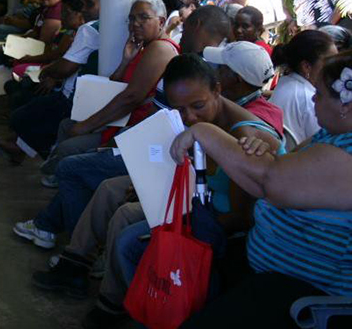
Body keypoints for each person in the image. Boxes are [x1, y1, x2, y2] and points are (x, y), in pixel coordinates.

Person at [35, 54, 283, 328]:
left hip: (214, 218)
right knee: (110, 189)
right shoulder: (206, 120)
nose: (189, 117)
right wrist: (151, 185)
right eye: (180, 110)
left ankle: (116, 301)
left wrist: (174, 221)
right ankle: (76, 264)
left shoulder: (242, 137)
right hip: (196, 198)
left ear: (218, 90)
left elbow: (240, 216)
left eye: (197, 105)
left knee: (126, 218)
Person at [171, 51, 352, 328]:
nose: (313, 99)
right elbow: (283, 167)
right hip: (266, 266)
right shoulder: (332, 134)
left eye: (320, 94)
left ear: (346, 106)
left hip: (303, 293)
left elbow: (268, 181)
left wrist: (204, 132)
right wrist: (266, 152)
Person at [12, 0, 179, 248]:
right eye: (131, 18)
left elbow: (130, 98)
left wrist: (87, 125)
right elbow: (118, 85)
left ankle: (76, 243)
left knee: (71, 158)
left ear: (162, 21)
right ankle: (50, 223)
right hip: (125, 127)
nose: (135, 24)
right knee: (67, 133)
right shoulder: (145, 48)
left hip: (134, 134)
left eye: (143, 18)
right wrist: (126, 59)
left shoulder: (161, 49)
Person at [0, 0, 101, 162]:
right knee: (28, 107)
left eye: (90, 4)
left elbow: (65, 66)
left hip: (71, 94)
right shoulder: (102, 29)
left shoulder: (88, 29)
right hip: (77, 91)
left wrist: (47, 72)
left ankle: (32, 150)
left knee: (23, 114)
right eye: (82, 4)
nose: (84, 9)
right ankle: (20, 146)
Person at [270, 30, 337, 144]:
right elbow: (324, 146)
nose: (335, 69)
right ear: (306, 66)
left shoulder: (287, 82)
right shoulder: (309, 99)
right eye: (330, 62)